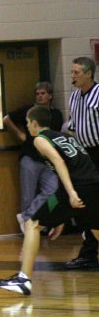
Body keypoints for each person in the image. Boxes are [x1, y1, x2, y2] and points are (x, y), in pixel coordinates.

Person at [0, 105, 99, 295]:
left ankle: (23, 279)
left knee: (33, 223)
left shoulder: (40, 139)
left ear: (34, 124)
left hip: (75, 187)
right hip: (94, 184)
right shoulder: (66, 136)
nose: (27, 126)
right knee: (97, 230)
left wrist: (72, 193)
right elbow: (82, 163)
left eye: (27, 123)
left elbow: (58, 162)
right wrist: (61, 216)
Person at [2, 82, 64, 231]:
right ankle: (27, 226)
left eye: (42, 93)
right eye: (37, 94)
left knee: (53, 190)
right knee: (27, 195)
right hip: (30, 157)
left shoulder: (56, 115)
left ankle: (29, 217)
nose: (39, 96)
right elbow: (6, 119)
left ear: (50, 96)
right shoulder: (28, 111)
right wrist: (19, 134)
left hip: (48, 160)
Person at [63, 57, 99, 270]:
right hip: (86, 155)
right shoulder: (74, 97)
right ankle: (88, 252)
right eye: (72, 72)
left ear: (88, 74)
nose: (72, 76)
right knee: (86, 204)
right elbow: (74, 127)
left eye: (76, 72)